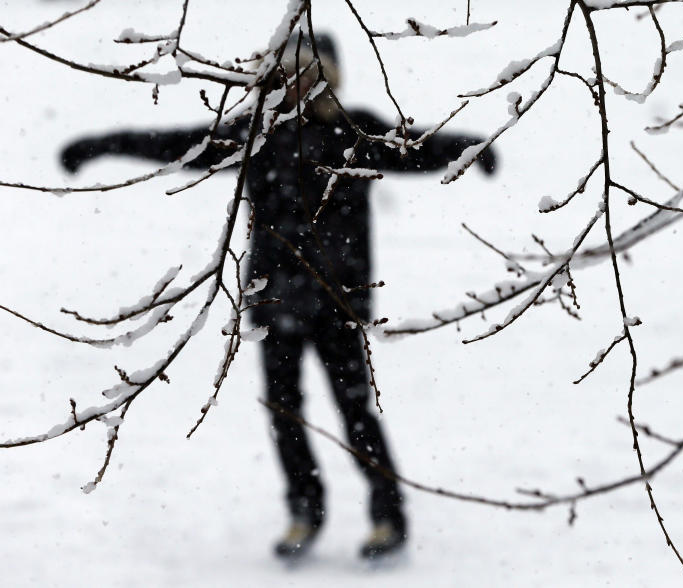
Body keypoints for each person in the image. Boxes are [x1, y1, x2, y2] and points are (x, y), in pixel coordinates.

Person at [61, 32, 496, 561]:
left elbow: (419, 147)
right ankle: (305, 511)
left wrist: (472, 148)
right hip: (274, 303)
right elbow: (178, 145)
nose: (299, 83)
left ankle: (388, 514)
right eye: (288, 73)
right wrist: (105, 145)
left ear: (328, 77)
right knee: (285, 412)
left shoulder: (353, 132)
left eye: (311, 72)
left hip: (338, 304)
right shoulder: (256, 134)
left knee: (354, 412)